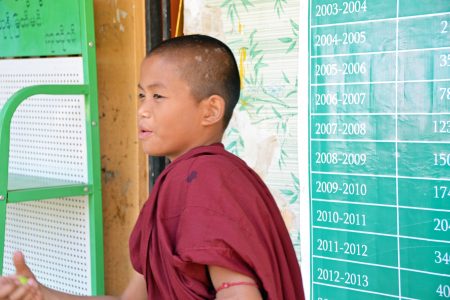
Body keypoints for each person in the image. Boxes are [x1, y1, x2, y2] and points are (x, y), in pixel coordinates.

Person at [0, 34, 304, 300]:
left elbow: (239, 293)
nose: (143, 109)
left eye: (158, 96)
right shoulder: (177, 185)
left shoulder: (207, 180)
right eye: (142, 95)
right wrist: (41, 294)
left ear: (210, 110)